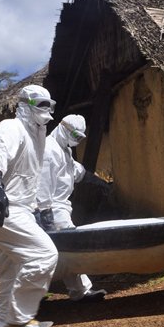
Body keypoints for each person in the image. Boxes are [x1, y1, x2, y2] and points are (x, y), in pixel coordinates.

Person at [0, 85, 59, 327]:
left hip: (17, 208)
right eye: (41, 105)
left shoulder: (37, 135)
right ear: (26, 105)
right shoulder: (11, 127)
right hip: (1, 206)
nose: (47, 111)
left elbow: (33, 177)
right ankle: (19, 321)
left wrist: (41, 209)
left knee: (10, 270)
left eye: (49, 105)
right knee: (44, 255)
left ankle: (3, 323)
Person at [36, 114, 107, 302]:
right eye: (74, 135)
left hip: (61, 209)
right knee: (59, 253)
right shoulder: (47, 150)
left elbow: (77, 172)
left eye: (79, 138)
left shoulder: (64, 151)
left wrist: (101, 183)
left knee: (65, 253)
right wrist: (46, 217)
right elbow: (42, 186)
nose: (76, 141)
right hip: (51, 210)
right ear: (63, 128)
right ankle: (33, 294)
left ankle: (77, 291)